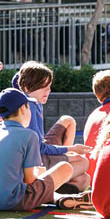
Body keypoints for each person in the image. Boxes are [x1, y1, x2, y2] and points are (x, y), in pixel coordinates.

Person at [0, 88, 93, 211]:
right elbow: (30, 180)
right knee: (65, 168)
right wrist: (41, 174)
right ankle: (58, 197)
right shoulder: (28, 136)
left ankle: (59, 198)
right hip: (15, 201)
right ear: (23, 108)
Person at [17, 61, 92, 193]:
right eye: (43, 86)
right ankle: (48, 185)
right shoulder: (29, 106)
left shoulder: (31, 97)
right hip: (36, 158)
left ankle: (55, 181)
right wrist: (70, 148)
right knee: (83, 166)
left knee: (68, 120)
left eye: (49, 86)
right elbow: (39, 148)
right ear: (27, 87)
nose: (48, 90)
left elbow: (17, 81)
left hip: (42, 149)